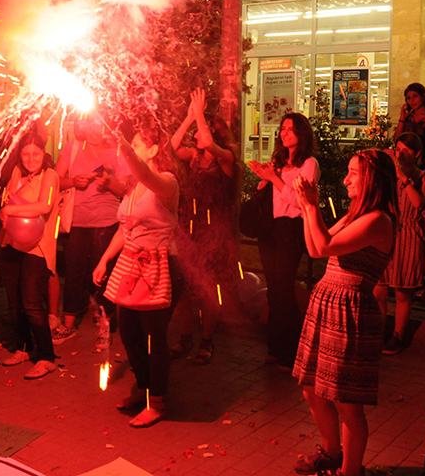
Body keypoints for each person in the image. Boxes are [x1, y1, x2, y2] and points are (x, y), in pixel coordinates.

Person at [291, 150, 397, 476]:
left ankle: (350, 471)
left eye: (353, 173)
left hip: (350, 311)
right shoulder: (354, 214)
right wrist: (307, 208)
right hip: (327, 302)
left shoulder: (379, 220)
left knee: (347, 402)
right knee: (312, 387)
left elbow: (323, 246)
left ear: (372, 180)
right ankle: (331, 452)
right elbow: (314, 248)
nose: (346, 178)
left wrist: (311, 206)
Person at [93, 123, 180, 427]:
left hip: (159, 268)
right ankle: (143, 389)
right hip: (129, 266)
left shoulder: (167, 182)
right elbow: (124, 227)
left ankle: (156, 402)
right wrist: (105, 259)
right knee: (129, 333)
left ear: (154, 150)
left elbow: (146, 173)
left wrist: (125, 148)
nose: (126, 150)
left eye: (136, 145)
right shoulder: (133, 187)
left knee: (154, 338)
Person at [247, 112, 320, 369]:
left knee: (284, 288)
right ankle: (274, 347)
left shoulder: (308, 164)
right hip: (270, 228)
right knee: (273, 289)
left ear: (302, 133)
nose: (285, 133)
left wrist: (274, 179)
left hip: (291, 228)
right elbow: (271, 193)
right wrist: (263, 177)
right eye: (283, 128)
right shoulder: (278, 161)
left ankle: (292, 351)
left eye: (291, 129)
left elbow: (300, 201)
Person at [169, 87, 237, 364]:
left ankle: (207, 340)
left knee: (210, 287)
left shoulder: (226, 157)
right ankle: (186, 337)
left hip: (214, 231)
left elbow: (208, 143)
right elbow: (173, 146)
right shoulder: (194, 156)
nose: (195, 135)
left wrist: (199, 114)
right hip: (190, 226)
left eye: (199, 129)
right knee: (183, 284)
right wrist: (189, 117)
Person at [52, 112, 128, 348]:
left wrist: (109, 183)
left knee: (103, 276)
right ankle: (68, 324)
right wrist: (74, 181)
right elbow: (55, 180)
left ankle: (104, 327)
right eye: (89, 124)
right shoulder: (72, 148)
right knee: (73, 274)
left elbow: (125, 189)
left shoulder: (116, 151)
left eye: (98, 124)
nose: (94, 130)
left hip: (106, 223)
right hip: (76, 222)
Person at [0, 130, 61, 380]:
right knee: (14, 300)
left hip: (38, 246)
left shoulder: (51, 175)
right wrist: (8, 207)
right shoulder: (17, 173)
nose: (30, 159)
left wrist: (10, 208)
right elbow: (8, 197)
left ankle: (47, 357)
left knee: (32, 303)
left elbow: (44, 205)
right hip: (13, 242)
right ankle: (23, 347)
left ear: (43, 154)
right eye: (25, 154)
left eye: (35, 154)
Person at [374, 133, 425, 354]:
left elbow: (418, 203)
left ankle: (399, 336)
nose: (400, 154)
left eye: (405, 151)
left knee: (402, 291)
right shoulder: (389, 175)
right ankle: (378, 333)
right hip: (388, 231)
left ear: (416, 154)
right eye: (397, 150)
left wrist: (401, 176)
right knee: (379, 289)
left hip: (409, 234)